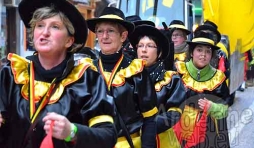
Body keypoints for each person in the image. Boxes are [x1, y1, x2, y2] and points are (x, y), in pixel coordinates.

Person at [0, 0, 117, 147]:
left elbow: (108, 136)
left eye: (55, 27)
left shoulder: (88, 80)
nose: (45, 32)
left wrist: (72, 132)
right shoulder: (11, 74)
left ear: (69, 41)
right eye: (40, 25)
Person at [86, 7, 158, 148]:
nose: (104, 36)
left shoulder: (136, 70)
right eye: (100, 31)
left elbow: (150, 118)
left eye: (111, 31)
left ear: (123, 36)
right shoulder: (87, 70)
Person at [129, 24, 186, 148]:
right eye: (140, 46)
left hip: (162, 142)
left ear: (159, 53)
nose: (144, 50)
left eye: (150, 46)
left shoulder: (171, 80)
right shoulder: (126, 77)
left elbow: (173, 115)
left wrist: (145, 125)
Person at [174, 31, 231, 147]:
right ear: (191, 53)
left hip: (208, 134)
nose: (203, 55)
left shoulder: (218, 78)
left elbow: (225, 109)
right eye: (199, 50)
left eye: (208, 51)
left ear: (212, 55)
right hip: (180, 130)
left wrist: (212, 107)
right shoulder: (178, 72)